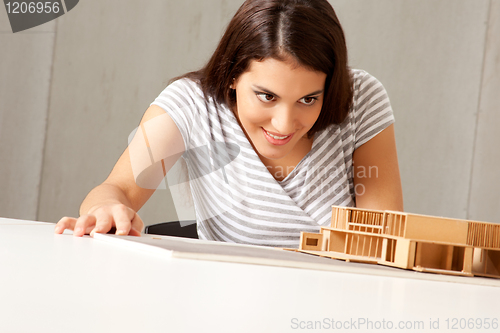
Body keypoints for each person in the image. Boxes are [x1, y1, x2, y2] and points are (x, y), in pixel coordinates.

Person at [55, 0, 403, 248]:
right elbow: (117, 189)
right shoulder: (192, 104)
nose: (284, 124)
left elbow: (378, 241)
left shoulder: (360, 98)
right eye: (266, 96)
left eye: (308, 99)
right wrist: (106, 210)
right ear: (233, 75)